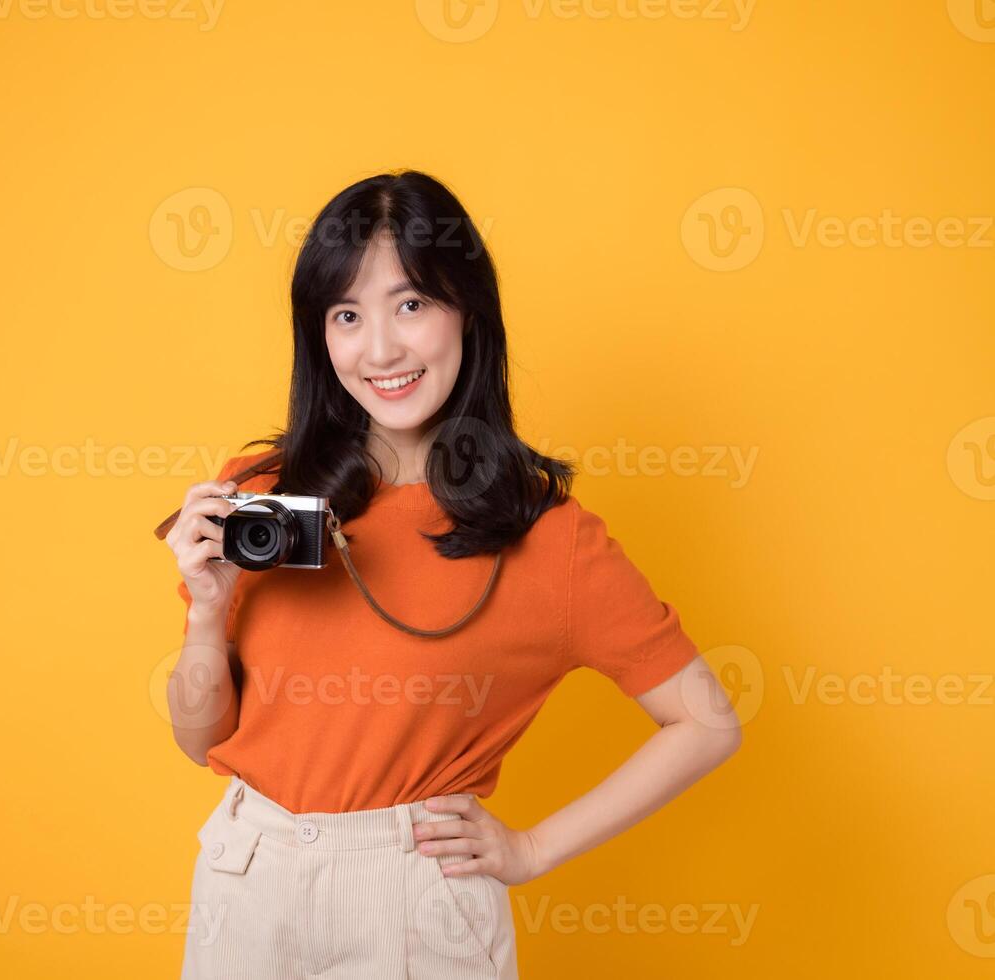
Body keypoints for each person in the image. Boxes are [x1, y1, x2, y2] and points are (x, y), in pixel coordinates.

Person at [159, 170, 742, 979]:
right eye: (347, 315)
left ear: (467, 310)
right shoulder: (262, 497)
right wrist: (206, 615)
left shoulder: (548, 538)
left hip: (413, 901)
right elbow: (200, 741)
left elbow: (708, 722)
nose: (381, 350)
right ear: (319, 335)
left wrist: (532, 849)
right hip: (247, 876)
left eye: (411, 304)